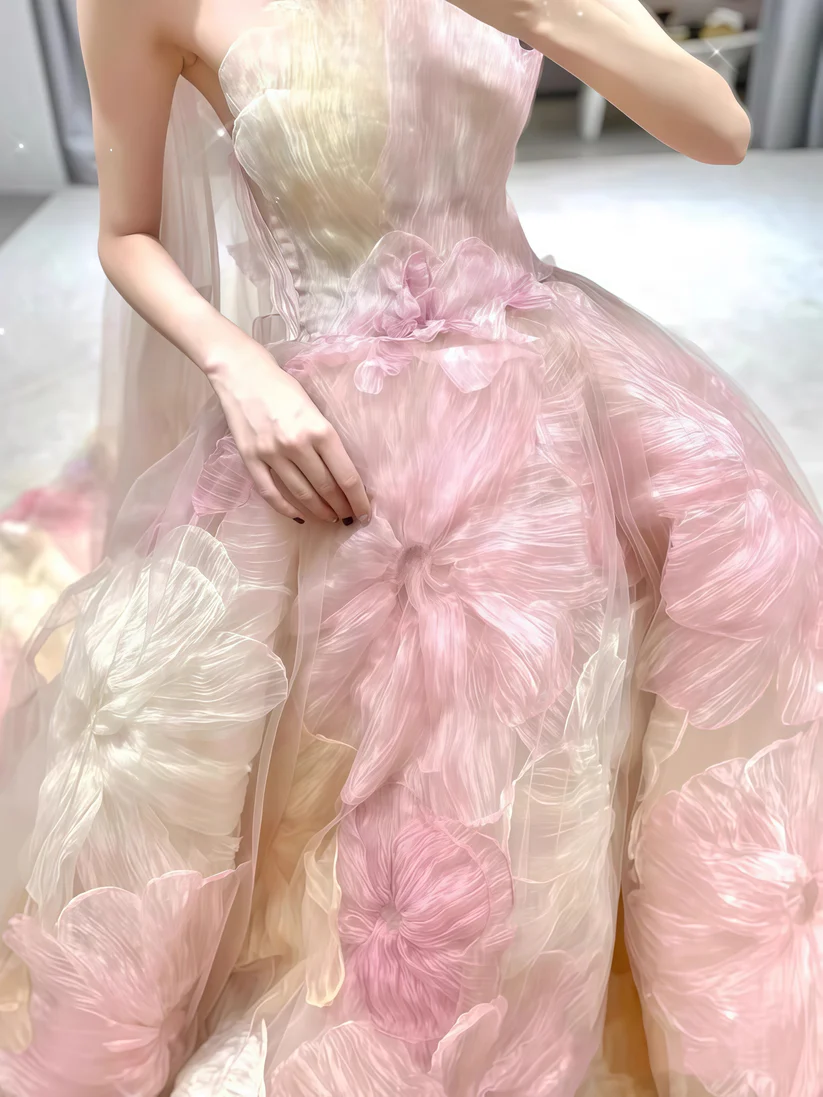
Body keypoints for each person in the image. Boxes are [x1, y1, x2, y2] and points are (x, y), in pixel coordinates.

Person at [0, 0, 820, 1094]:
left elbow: (716, 128)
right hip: (332, 431)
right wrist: (235, 362)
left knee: (705, 599)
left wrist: (535, 13)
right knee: (384, 792)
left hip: (530, 390)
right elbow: (127, 232)